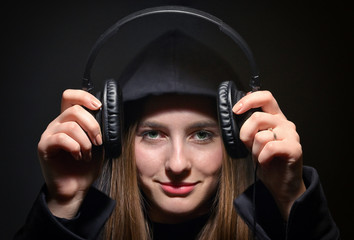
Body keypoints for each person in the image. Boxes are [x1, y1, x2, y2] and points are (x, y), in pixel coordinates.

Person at [14, 30, 340, 240]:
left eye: (201, 135)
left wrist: (291, 196)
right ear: (118, 140)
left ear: (233, 140)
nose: (177, 163)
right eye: (153, 134)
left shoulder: (275, 232)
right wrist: (64, 201)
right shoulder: (78, 231)